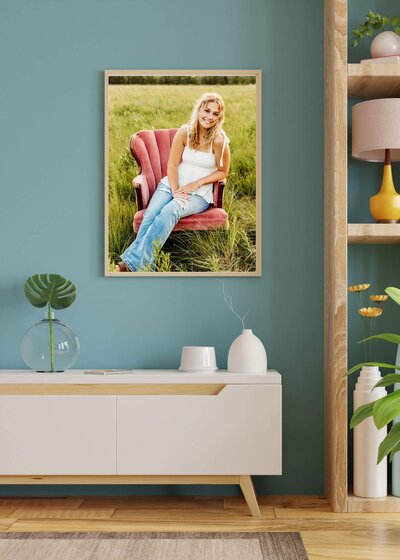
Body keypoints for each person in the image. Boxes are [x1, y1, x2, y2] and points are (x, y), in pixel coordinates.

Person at [116, 92, 231, 272]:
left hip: (198, 194)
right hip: (171, 183)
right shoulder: (185, 132)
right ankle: (146, 264)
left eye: (215, 114)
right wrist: (175, 189)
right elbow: (172, 164)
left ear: (219, 118)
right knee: (151, 213)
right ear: (199, 109)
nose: (209, 117)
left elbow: (223, 171)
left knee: (170, 211)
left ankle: (128, 266)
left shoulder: (219, 140)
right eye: (207, 110)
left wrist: (197, 183)